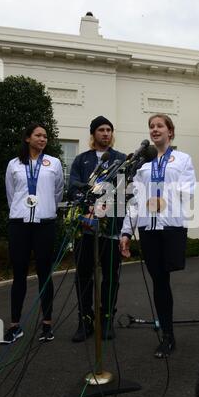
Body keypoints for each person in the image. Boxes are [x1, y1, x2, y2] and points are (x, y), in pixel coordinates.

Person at [120, 113, 196, 358]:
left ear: (170, 132)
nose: (154, 130)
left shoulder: (182, 159)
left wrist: (160, 198)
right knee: (159, 282)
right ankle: (168, 335)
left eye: (159, 126)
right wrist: (125, 232)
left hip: (171, 227)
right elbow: (133, 201)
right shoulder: (142, 165)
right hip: (148, 229)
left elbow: (188, 191)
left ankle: (167, 331)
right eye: (151, 126)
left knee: (166, 278)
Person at [1, 122, 64, 344]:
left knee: (45, 273)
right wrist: (21, 210)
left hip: (44, 223)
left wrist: (46, 208)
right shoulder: (14, 164)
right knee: (19, 274)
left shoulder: (53, 163)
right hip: (19, 223)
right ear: (28, 138)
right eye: (38, 135)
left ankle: (47, 324)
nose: (42, 139)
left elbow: (58, 191)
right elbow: (11, 192)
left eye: (45, 136)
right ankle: (14, 325)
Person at [68, 115, 125, 342]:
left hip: (110, 228)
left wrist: (118, 224)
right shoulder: (82, 160)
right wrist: (88, 206)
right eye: (101, 130)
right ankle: (85, 319)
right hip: (86, 227)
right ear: (93, 134)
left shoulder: (121, 159)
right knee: (83, 275)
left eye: (109, 129)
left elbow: (123, 194)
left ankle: (107, 317)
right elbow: (73, 187)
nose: (105, 133)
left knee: (110, 275)